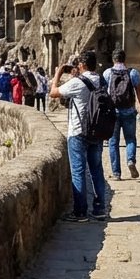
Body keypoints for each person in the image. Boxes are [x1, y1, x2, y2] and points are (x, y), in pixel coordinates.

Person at [50, 51, 108, 222]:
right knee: (97, 171)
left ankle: (80, 212)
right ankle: (99, 209)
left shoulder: (77, 82)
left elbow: (53, 93)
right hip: (97, 131)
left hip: (78, 131)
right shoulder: (101, 80)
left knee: (78, 171)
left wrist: (58, 73)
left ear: (81, 65)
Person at [103, 48, 140, 179]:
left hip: (113, 113)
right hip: (129, 111)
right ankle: (130, 160)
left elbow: (104, 95)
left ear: (113, 59)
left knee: (113, 142)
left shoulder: (107, 74)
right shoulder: (132, 73)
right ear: (125, 59)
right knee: (130, 139)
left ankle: (116, 173)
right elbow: (139, 93)